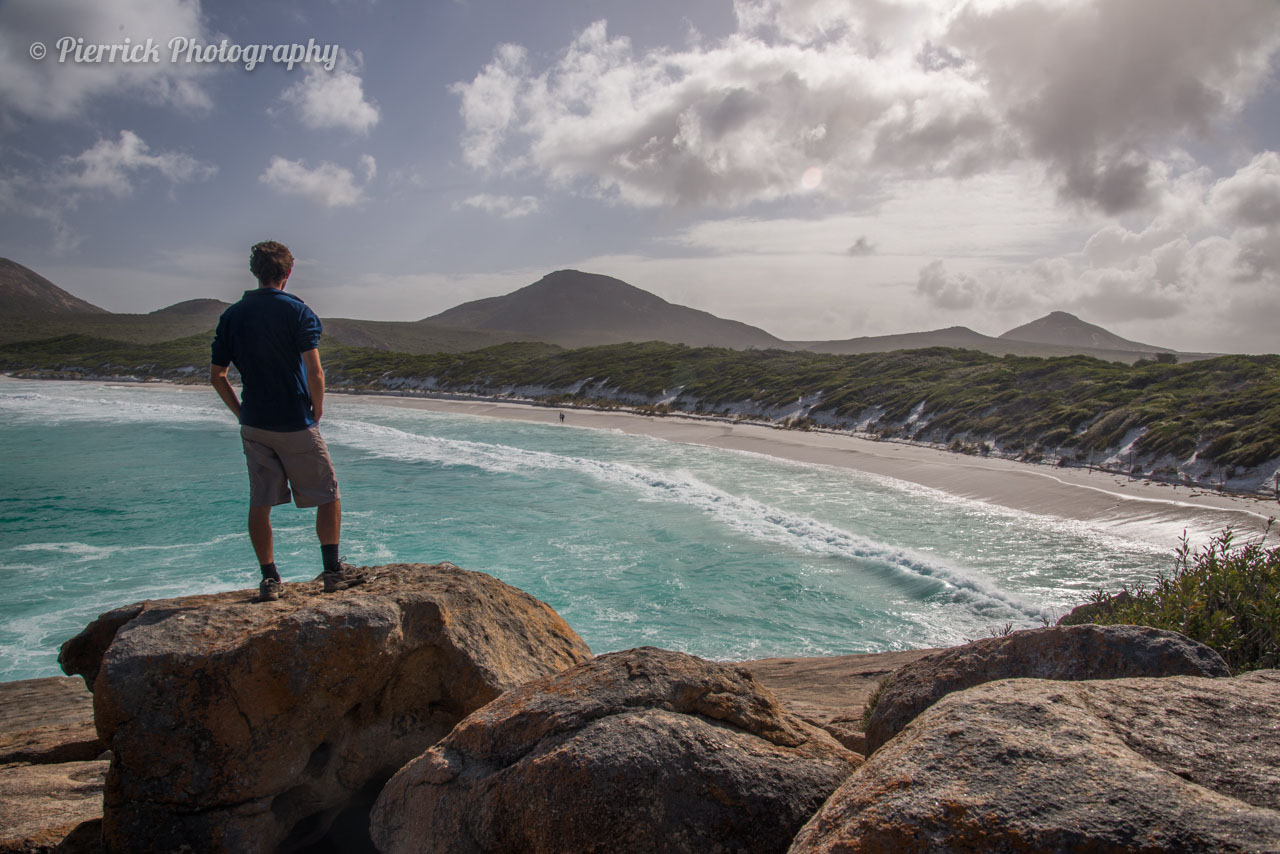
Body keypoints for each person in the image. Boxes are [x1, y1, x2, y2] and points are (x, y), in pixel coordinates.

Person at [210, 240, 364, 602]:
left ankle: (270, 580)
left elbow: (217, 375)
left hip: (255, 422)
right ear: (288, 273)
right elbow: (315, 369)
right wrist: (317, 407)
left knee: (260, 501)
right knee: (328, 493)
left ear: (255, 271)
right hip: (294, 420)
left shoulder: (232, 315)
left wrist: (240, 412)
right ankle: (332, 571)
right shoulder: (298, 311)